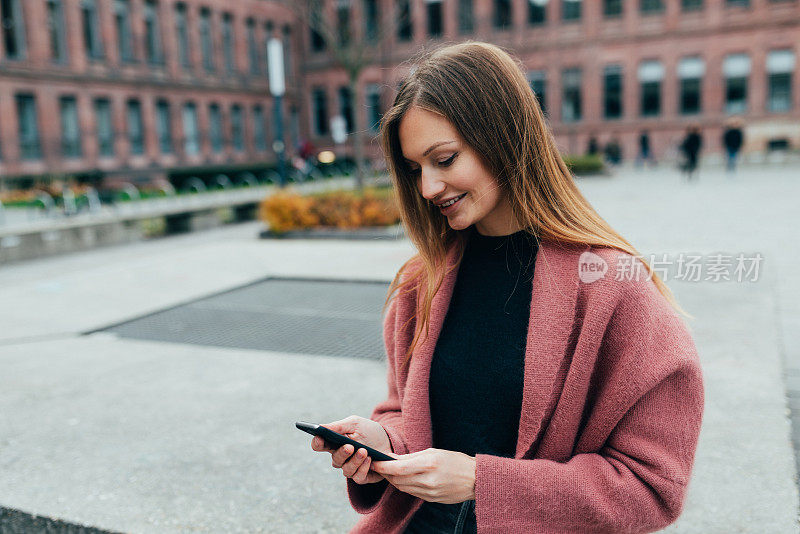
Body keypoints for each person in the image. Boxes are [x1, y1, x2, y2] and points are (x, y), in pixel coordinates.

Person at [308, 42, 704, 534]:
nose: (429, 188)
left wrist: (482, 481)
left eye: (445, 159)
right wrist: (383, 441)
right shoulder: (420, 283)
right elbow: (405, 410)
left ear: (503, 138)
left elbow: (651, 488)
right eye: (415, 170)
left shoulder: (613, 289)